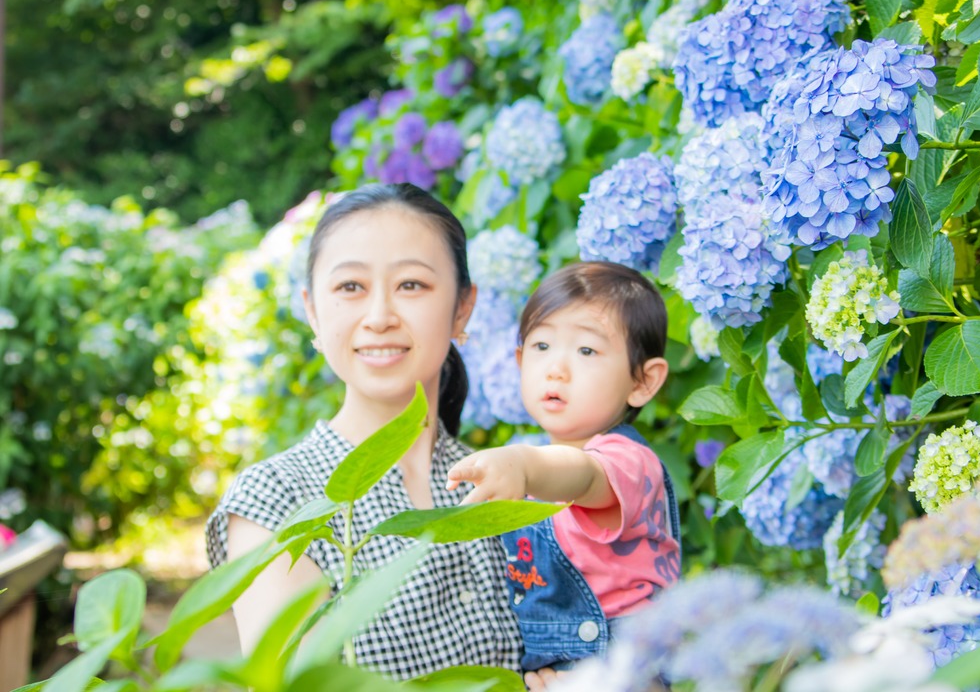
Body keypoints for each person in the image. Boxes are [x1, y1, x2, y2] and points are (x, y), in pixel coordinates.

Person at [205, 183, 522, 678]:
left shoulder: (506, 483)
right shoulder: (275, 501)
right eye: (350, 287)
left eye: (411, 285)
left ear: (463, 308)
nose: (379, 318)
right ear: (313, 309)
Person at [447, 261, 682, 684]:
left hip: (626, 666)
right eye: (541, 347)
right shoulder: (536, 474)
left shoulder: (627, 462)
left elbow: (584, 477)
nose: (556, 367)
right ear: (519, 361)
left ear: (643, 382)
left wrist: (521, 463)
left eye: (586, 351)